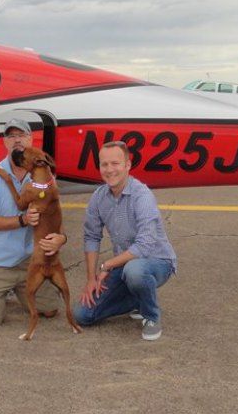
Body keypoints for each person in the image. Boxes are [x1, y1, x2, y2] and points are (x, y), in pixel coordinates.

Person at [73, 141, 177, 341]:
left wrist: (106, 266)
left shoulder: (142, 195)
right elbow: (91, 237)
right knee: (82, 315)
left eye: (115, 163)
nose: (110, 170)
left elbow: (145, 245)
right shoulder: (98, 197)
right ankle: (137, 299)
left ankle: (151, 316)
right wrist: (91, 279)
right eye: (104, 164)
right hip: (125, 264)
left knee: (135, 271)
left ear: (128, 165)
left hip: (157, 261)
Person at [0, 118, 68, 326]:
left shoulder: (43, 176)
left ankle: (18, 290)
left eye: (21, 135)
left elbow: (54, 213)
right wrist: (22, 220)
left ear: (31, 139)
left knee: (50, 310)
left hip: (28, 261)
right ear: (4, 142)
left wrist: (62, 237)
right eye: (11, 136)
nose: (17, 140)